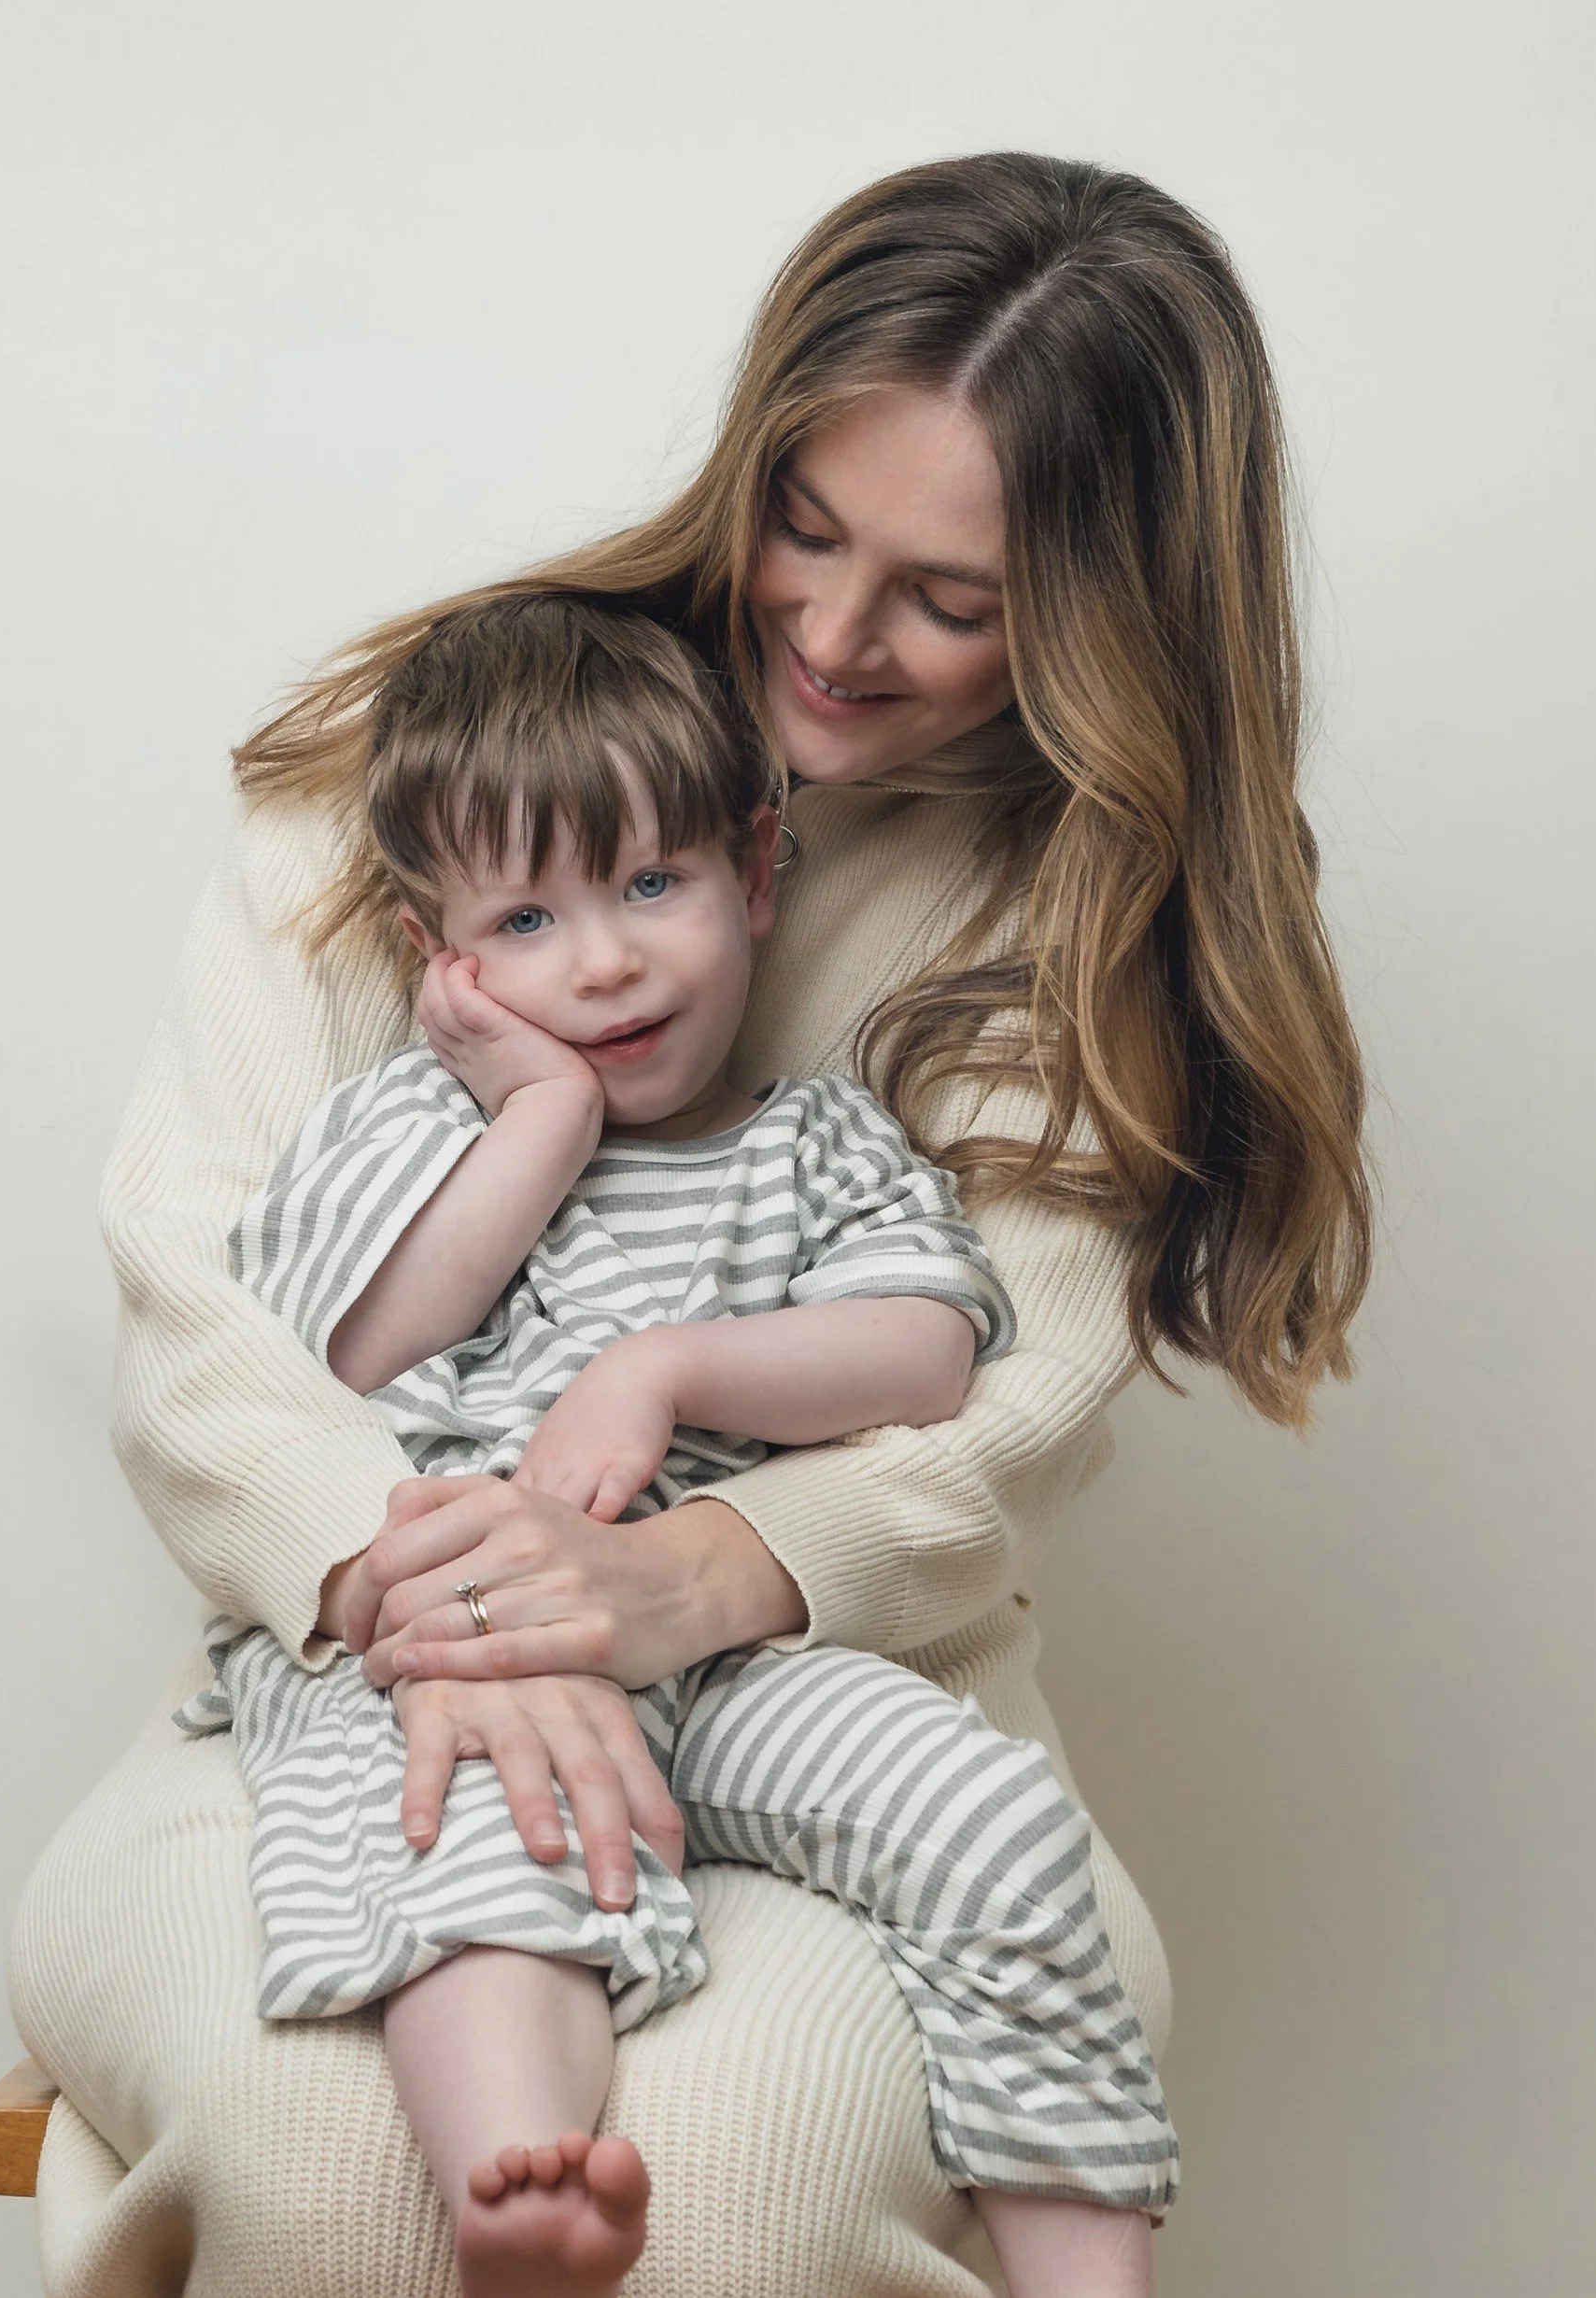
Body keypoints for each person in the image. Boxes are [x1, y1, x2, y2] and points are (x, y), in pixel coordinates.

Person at [11, 151, 1369, 2298]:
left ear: (1107, 616)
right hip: (345, 1666)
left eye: (950, 598)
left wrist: (672, 1576)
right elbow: (211, 1308)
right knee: (330, 2164)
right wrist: (437, 1596)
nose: (828, 636)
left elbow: (993, 1409)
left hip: (847, 1700)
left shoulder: (1077, 919)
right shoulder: (431, 757)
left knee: (735, 2205)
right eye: (804, 527)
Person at [172, 593, 1176, 2298]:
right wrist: (544, 1114)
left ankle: (1090, 2276)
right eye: (527, 918)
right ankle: (519, 2187)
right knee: (479, 1841)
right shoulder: (419, 1124)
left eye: (652, 884)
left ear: (757, 872)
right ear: (441, 958)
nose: (606, 962)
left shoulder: (819, 1147)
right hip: (453, 1656)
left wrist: (668, 1366)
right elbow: (348, 1348)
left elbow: (927, 1353)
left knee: (987, 1819)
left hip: (729, 1650)